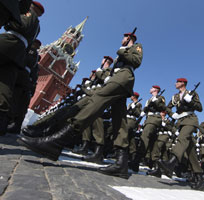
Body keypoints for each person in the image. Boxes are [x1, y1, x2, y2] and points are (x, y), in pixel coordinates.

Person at [18, 30, 143, 179]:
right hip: (118, 78)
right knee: (119, 120)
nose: (122, 39)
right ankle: (121, 164)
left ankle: (57, 141)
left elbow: (136, 61)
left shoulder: (135, 47)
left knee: (94, 103)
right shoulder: (121, 53)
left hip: (123, 77)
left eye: (124, 37)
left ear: (129, 38)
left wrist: (123, 51)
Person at [0, 1, 44, 135]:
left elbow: (21, 25)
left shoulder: (30, 15)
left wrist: (9, 21)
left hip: (10, 41)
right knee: (5, 84)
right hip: (18, 54)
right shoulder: (38, 26)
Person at [157, 78, 204, 191]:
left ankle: (171, 162)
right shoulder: (175, 97)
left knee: (182, 139)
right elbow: (167, 107)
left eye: (177, 82)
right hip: (180, 121)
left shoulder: (191, 94)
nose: (175, 84)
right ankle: (200, 179)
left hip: (191, 120)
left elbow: (200, 108)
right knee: (190, 152)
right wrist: (172, 114)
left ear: (183, 83)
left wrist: (190, 101)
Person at [129, 85, 166, 172]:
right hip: (149, 119)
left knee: (144, 138)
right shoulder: (149, 99)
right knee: (154, 143)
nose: (150, 89)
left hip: (154, 119)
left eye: (152, 88)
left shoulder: (160, 97)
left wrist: (156, 102)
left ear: (155, 90)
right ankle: (157, 168)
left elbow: (163, 108)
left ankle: (136, 162)